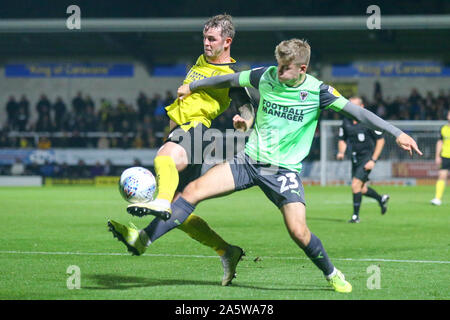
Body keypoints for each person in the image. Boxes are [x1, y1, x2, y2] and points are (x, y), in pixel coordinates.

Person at [121, 38, 422, 293]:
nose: (278, 72)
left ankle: (331, 273)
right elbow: (227, 79)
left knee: (298, 232)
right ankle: (143, 239)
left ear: (302, 68)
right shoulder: (265, 75)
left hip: (282, 172)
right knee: (192, 191)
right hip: (249, 160)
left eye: (285, 68)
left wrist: (397, 134)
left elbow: (360, 113)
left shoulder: (319, 92)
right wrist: (195, 86)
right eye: (277, 65)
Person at [108, 14, 257, 286]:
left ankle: (157, 207)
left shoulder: (231, 76)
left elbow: (246, 107)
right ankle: (227, 250)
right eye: (204, 37)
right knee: (181, 207)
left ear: (227, 42)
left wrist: (244, 122)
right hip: (183, 132)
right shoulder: (201, 62)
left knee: (164, 159)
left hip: (196, 129)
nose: (206, 43)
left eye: (212, 39)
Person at [336, 96, 390, 223]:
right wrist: (341, 152)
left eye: (354, 106)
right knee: (362, 188)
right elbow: (342, 139)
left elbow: (381, 141)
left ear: (361, 107)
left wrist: (373, 160)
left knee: (355, 185)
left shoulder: (368, 122)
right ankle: (381, 199)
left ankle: (355, 217)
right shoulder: (346, 121)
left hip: (367, 157)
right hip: (354, 157)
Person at [431, 109, 450, 206]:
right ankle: (437, 198)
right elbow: (440, 142)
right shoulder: (443, 128)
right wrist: (437, 156)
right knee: (442, 176)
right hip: (446, 156)